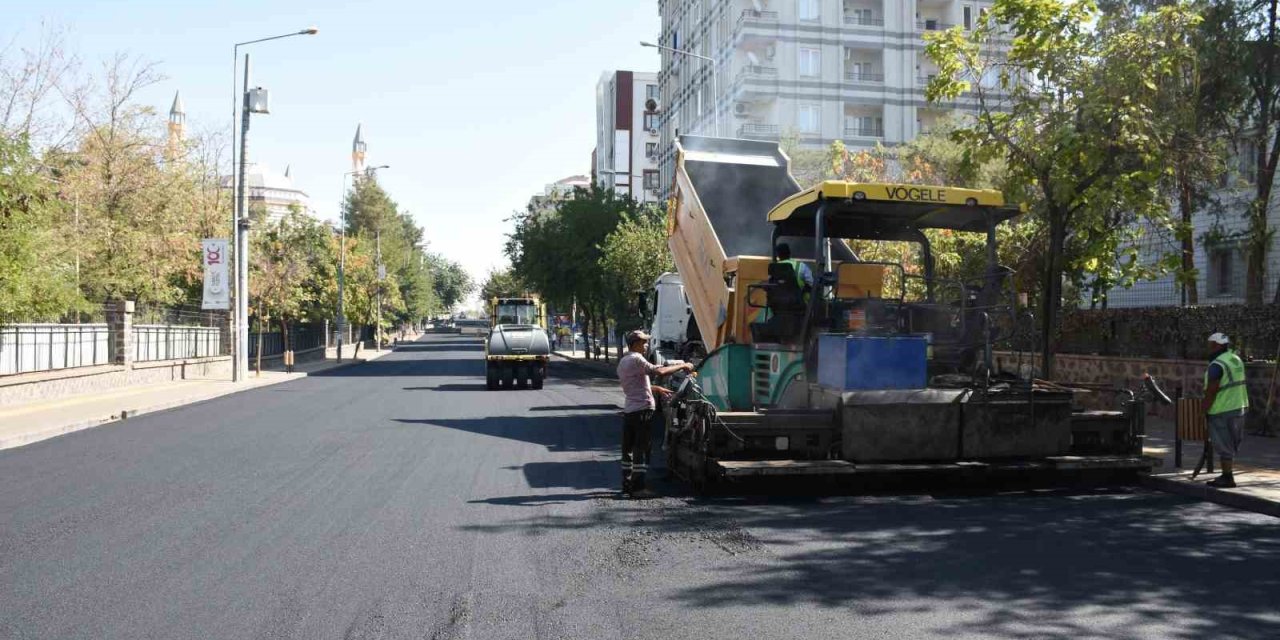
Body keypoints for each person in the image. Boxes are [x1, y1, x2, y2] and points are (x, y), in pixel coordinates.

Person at [616, 329, 694, 498]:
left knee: (627, 449)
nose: (646, 346)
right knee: (642, 448)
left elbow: (634, 385)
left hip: (630, 410)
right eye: (643, 342)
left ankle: (627, 484)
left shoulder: (624, 361)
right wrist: (684, 365)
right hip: (643, 410)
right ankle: (638, 488)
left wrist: (656, 389)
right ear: (635, 343)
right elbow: (659, 372)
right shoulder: (637, 359)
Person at [1203, 332, 1249, 488]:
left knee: (1223, 445)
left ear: (1217, 345)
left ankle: (1227, 477)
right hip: (1240, 406)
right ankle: (1227, 475)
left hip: (1221, 409)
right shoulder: (1236, 359)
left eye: (1210, 345)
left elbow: (1211, 390)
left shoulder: (1217, 365)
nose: (1208, 348)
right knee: (1231, 444)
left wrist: (1203, 409)